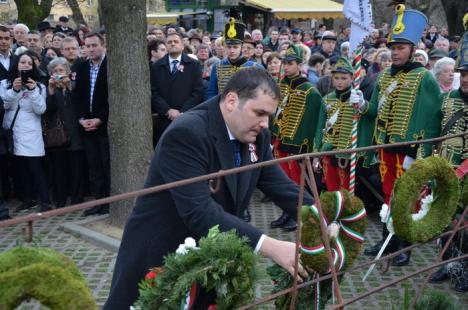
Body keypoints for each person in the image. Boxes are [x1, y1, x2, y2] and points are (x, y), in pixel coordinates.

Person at [105, 67, 312, 309]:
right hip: (163, 259)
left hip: (209, 263)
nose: (266, 124)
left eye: (269, 116)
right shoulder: (187, 132)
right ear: (232, 101)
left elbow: (278, 184)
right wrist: (271, 246)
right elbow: (199, 212)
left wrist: (321, 215)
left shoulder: (256, 135)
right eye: (260, 113)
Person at [362, 6, 442, 266]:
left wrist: (419, 155)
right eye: (393, 47)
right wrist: (360, 105)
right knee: (388, 196)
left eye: (401, 48)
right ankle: (387, 240)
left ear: (412, 49)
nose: (395, 52)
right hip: (386, 148)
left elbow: (432, 121)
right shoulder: (383, 77)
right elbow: (374, 111)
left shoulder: (425, 78)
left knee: (406, 198)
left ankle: (404, 245)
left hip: (409, 151)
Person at [270, 44, 323, 231]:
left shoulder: (310, 91)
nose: (286, 67)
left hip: (297, 144)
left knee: (297, 181)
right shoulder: (282, 85)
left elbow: (312, 122)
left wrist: (306, 146)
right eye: (285, 63)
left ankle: (299, 215)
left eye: (291, 63)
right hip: (281, 141)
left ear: (300, 65)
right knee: (284, 180)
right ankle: (288, 211)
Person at [430, 37, 468, 292]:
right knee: (446, 220)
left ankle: (463, 269)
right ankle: (447, 263)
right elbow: (433, 133)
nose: (465, 79)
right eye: (463, 74)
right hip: (447, 171)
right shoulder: (447, 100)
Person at [0, 50, 50, 212]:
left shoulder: (40, 86)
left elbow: (41, 109)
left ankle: (45, 201)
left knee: (35, 168)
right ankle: (27, 199)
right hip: (12, 132)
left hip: (31, 132)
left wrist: (33, 91)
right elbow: (4, 105)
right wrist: (14, 91)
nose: (26, 65)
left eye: (29, 63)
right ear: (16, 64)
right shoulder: (4, 84)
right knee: (20, 169)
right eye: (23, 62)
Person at [72, 32, 110, 216]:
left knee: (106, 165)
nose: (91, 49)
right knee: (94, 167)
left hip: (105, 125)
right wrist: (81, 119)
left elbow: (112, 98)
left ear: (103, 45)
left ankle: (110, 202)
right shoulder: (80, 67)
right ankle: (98, 201)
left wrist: (100, 119)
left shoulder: (111, 66)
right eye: (87, 46)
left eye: (94, 45)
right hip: (86, 126)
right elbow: (77, 96)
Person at [45, 57, 86, 208]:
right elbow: (47, 110)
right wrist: (50, 91)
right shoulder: (49, 89)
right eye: (55, 71)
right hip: (58, 136)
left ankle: (77, 199)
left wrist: (69, 88)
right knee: (59, 170)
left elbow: (79, 105)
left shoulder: (74, 87)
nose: (58, 73)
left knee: (76, 170)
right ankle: (60, 200)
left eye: (61, 70)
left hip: (75, 134)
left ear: (68, 72)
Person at [150, 31, 204, 147]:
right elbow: (154, 93)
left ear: (182, 45)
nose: (173, 44)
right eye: (169, 42)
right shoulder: (157, 66)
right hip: (164, 118)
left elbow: (198, 92)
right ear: (166, 45)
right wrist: (168, 110)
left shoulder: (194, 65)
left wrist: (182, 112)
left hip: (187, 117)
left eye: (176, 41)